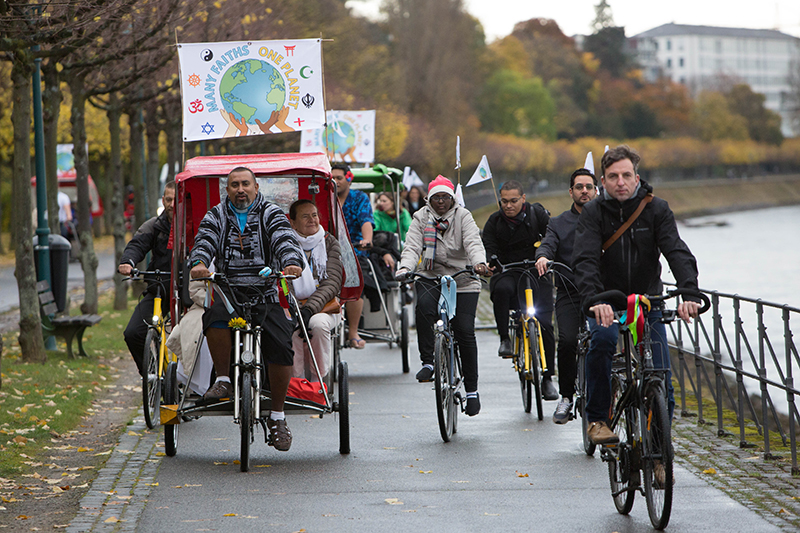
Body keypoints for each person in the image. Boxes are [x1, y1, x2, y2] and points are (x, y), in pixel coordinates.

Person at [573, 145, 700, 446]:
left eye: (626, 175)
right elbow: (585, 260)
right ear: (602, 182)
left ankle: (658, 448)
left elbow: (676, 250)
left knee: (660, 374)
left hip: (647, 300)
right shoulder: (593, 213)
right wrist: (595, 299)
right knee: (602, 343)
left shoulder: (657, 209)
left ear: (637, 177)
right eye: (613, 176)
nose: (620, 182)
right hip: (606, 300)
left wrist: (689, 292)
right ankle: (598, 419)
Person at [189, 167, 304, 452]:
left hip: (265, 292)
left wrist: (290, 262)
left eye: (245, 184)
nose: (240, 190)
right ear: (226, 190)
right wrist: (200, 263)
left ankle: (277, 416)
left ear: (256, 187)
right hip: (228, 290)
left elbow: (284, 239)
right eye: (234, 185)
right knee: (214, 315)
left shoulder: (271, 213)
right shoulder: (216, 215)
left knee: (281, 341)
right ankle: (224, 379)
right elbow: (204, 241)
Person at [396, 176, 489, 416]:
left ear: (452, 199)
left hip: (463, 276)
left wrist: (479, 263)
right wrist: (405, 268)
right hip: (430, 273)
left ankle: (472, 391)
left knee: (465, 330)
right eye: (436, 197)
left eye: (445, 197)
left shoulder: (463, 216)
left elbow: (473, 242)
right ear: (429, 199)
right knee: (424, 308)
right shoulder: (420, 218)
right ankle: (428, 361)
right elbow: (412, 246)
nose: (440, 202)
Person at [482, 180, 558, 401]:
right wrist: (491, 262)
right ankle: (505, 339)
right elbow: (488, 245)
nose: (508, 205)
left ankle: (547, 378)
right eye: (504, 201)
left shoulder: (538, 215)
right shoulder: (494, 222)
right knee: (502, 290)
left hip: (536, 270)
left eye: (513, 201)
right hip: (508, 270)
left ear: (523, 199)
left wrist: (549, 257)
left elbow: (552, 238)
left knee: (545, 324)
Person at [535, 168, 598, 423]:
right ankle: (566, 397)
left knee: (604, 342)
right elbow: (549, 243)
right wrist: (543, 256)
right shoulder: (558, 223)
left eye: (589, 187)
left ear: (596, 190)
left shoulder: (606, 220)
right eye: (579, 187)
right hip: (569, 292)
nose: (584, 191)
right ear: (571, 191)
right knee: (568, 340)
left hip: (599, 293)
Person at [118, 182, 175, 376]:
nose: (172, 204)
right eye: (168, 199)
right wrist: (128, 262)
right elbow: (137, 244)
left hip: (188, 292)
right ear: (163, 200)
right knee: (133, 333)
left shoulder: (195, 225)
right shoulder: (154, 226)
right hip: (160, 289)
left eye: (177, 200)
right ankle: (153, 376)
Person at [333, 162, 391, 349]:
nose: (335, 182)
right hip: (329, 250)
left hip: (355, 250)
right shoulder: (325, 197)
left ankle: (353, 332)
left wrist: (367, 240)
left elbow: (366, 220)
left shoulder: (359, 198)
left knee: (355, 287)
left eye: (339, 178)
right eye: (332, 178)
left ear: (349, 178)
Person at [288, 199, 343, 380]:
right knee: (289, 327)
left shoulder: (330, 242)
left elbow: (333, 282)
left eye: (314, 215)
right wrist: (295, 309)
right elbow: (283, 281)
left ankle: (319, 381)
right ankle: (295, 384)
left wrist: (309, 309)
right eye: (305, 216)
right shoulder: (285, 245)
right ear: (293, 223)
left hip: (325, 307)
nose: (312, 220)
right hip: (293, 307)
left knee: (318, 325)